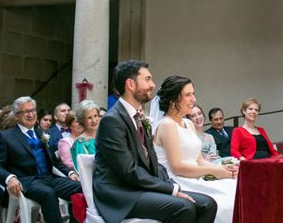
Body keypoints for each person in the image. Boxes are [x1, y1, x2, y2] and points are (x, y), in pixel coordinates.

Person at [93, 60, 217, 223]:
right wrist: (171, 190)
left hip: (141, 187)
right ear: (130, 84)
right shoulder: (112, 121)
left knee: (208, 204)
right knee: (184, 207)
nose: (152, 85)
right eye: (148, 79)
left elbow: (154, 163)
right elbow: (129, 171)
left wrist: (173, 185)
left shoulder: (139, 118)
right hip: (121, 193)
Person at [154, 76, 237, 223]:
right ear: (174, 100)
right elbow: (177, 167)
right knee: (226, 202)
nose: (194, 99)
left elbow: (199, 160)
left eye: (193, 93)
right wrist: (215, 172)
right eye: (188, 95)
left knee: (235, 188)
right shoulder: (167, 124)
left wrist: (222, 167)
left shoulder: (188, 123)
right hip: (178, 180)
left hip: (195, 175)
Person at [0, 96, 82, 223]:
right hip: (27, 182)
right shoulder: (5, 137)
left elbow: (54, 161)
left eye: (33, 111)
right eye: (26, 111)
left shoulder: (42, 134)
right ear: (16, 116)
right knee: (48, 193)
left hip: (50, 179)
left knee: (83, 187)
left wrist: (70, 173)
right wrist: (10, 178)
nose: (31, 114)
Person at [70, 100, 100, 170]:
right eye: (89, 118)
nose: (94, 120)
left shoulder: (104, 136)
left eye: (95, 116)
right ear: (82, 120)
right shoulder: (81, 142)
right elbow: (83, 170)